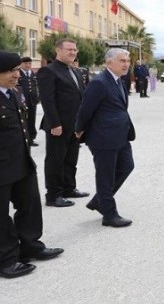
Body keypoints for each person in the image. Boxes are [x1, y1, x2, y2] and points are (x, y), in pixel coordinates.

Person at [0, 50, 63, 279]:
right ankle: (2, 262)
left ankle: (30, 246)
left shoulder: (14, 92)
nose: (16, 74)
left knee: (30, 206)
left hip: (21, 161)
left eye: (17, 69)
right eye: (9, 71)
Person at [75, 48, 136, 228]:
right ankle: (109, 214)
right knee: (105, 176)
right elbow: (86, 108)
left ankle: (99, 201)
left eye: (127, 60)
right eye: (122, 61)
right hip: (103, 137)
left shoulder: (119, 81)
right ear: (109, 63)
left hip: (121, 135)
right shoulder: (99, 83)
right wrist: (79, 128)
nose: (126, 64)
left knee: (127, 166)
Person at [37, 39, 89, 207]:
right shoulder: (49, 71)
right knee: (55, 160)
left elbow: (80, 98)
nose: (73, 52)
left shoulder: (75, 71)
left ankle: (68, 188)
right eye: (69, 49)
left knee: (71, 158)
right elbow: (47, 100)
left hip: (74, 125)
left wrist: (82, 123)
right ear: (58, 50)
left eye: (75, 50)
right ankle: (53, 195)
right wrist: (54, 124)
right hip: (58, 126)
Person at [17, 56, 40, 146]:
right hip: (22, 101)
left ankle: (31, 138)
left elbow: (37, 87)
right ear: (21, 64)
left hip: (32, 101)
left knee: (32, 119)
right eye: (25, 63)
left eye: (29, 63)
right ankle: (23, 138)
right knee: (23, 119)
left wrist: (38, 97)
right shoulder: (18, 73)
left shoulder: (33, 74)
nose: (28, 65)